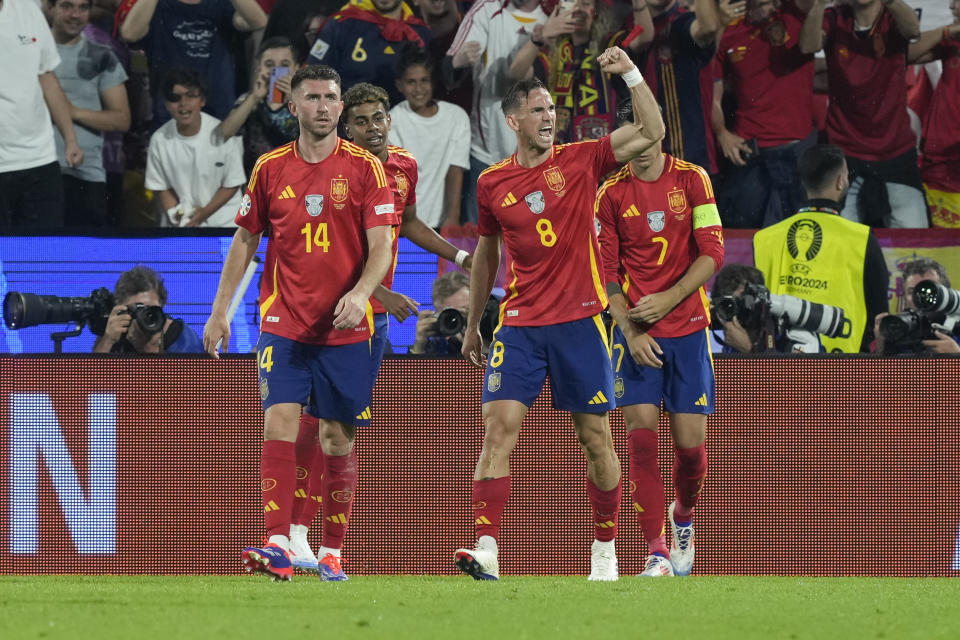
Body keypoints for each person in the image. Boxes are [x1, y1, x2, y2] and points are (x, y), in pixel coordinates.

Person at [453, 47, 665, 583]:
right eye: (539, 110)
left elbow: (654, 128)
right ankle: (486, 546)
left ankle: (605, 547)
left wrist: (632, 75)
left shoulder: (582, 159)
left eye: (552, 110)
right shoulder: (491, 184)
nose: (550, 118)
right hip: (521, 324)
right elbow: (486, 254)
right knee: (496, 428)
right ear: (513, 120)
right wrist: (478, 320)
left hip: (581, 322)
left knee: (595, 436)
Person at [203, 64, 398, 582]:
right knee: (279, 423)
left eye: (331, 97)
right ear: (293, 106)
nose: (324, 106)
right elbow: (245, 239)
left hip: (346, 326)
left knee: (336, 439)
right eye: (312, 97)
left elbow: (383, 244)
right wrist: (220, 310)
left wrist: (361, 294)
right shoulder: (269, 168)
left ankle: (333, 550)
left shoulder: (365, 168)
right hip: (284, 320)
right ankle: (277, 544)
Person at [595, 98, 723, 577]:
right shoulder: (609, 195)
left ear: (661, 132)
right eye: (632, 138)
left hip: (687, 331)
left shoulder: (693, 180)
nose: (642, 146)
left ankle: (683, 515)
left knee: (691, 452)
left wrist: (668, 299)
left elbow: (712, 253)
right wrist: (629, 329)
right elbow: (605, 275)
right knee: (641, 443)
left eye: (648, 135)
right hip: (636, 339)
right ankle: (656, 551)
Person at [799, 0, 926, 228]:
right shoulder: (834, 17)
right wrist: (818, 4)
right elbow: (808, 46)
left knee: (913, 238)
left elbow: (913, 30)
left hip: (895, 149)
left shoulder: (892, 16)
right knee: (839, 238)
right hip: (843, 149)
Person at [753, 143, 888, 353]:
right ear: (840, 181)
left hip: (781, 365)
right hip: (843, 368)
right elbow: (879, 314)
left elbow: (757, 306)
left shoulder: (764, 238)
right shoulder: (862, 239)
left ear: (804, 182)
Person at [713, 0, 816, 228]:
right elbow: (712, 95)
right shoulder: (730, 30)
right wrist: (721, 133)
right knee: (742, 237)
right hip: (750, 151)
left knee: (800, 236)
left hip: (796, 151)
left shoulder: (796, 14)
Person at [445, 0, 550, 224]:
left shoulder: (555, 13)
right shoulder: (486, 8)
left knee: (533, 238)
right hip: (487, 151)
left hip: (538, 153)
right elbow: (448, 69)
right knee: (481, 240)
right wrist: (459, 61)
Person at [508, 0, 653, 144]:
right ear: (561, 9)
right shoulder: (551, 52)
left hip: (603, 154)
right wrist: (538, 38)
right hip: (560, 156)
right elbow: (516, 73)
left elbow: (645, 35)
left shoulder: (610, 45)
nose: (578, 8)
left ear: (596, 11)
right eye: (572, 2)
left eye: (585, 3)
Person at [118, 0, 267, 128]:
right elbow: (129, 33)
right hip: (170, 116)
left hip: (219, 116)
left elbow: (258, 21)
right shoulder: (158, 6)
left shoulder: (222, 4)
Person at [0, 0, 83, 227]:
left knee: (42, 256)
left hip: (40, 159)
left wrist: (70, 139)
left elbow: (46, 77)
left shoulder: (28, 10)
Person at [49, 0, 131, 227]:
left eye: (83, 7)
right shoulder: (30, 52)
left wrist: (71, 112)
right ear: (50, 7)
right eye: (67, 6)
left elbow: (122, 119)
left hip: (85, 173)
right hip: (36, 172)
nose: (75, 14)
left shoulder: (102, 55)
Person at [145, 68, 246, 227]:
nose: (183, 104)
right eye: (175, 98)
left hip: (226, 224)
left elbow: (233, 183)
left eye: (191, 96)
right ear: (166, 104)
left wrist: (202, 215)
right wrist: (176, 214)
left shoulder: (222, 133)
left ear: (202, 100)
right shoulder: (159, 139)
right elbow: (160, 185)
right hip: (183, 226)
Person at [633, 0, 722, 174]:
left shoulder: (682, 22)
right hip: (646, 166)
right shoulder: (629, 29)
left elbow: (708, 27)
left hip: (688, 164)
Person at [389, 47, 471, 229]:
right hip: (406, 225)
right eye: (411, 82)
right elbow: (399, 179)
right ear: (399, 85)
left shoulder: (456, 117)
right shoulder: (393, 121)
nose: (418, 89)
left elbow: (455, 170)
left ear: (433, 82)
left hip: (442, 226)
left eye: (424, 81)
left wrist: (452, 218)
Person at [306, 0, 432, 106]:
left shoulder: (420, 33)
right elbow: (312, 78)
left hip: (405, 129)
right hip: (349, 129)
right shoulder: (339, 26)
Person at [907, 6, 960, 228]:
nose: (952, 6)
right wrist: (946, 33)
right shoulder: (953, 39)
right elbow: (908, 55)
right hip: (941, 161)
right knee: (943, 251)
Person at [215, 36, 301, 174]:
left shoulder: (308, 102)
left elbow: (321, 137)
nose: (276, 71)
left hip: (296, 185)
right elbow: (224, 133)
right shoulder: (248, 100)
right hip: (257, 186)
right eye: (269, 64)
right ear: (258, 68)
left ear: (296, 69)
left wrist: (297, 100)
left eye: (284, 65)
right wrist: (254, 97)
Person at [92, 265, 203, 353]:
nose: (145, 315)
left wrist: (149, 348)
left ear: (162, 305)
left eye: (151, 309)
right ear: (121, 310)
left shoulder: (183, 340)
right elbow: (91, 379)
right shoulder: (116, 333)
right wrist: (107, 340)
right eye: (136, 309)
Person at [873, 258, 960, 355]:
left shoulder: (956, 328)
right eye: (912, 292)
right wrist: (882, 347)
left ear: (946, 294)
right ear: (904, 298)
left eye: (929, 291)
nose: (921, 298)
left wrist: (956, 356)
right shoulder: (897, 330)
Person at [410, 270, 470, 354]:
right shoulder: (437, 346)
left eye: (465, 312)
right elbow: (413, 367)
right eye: (451, 315)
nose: (458, 320)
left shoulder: (490, 335)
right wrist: (419, 347)